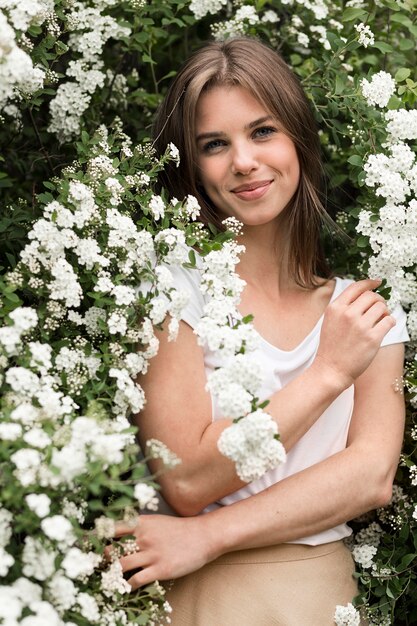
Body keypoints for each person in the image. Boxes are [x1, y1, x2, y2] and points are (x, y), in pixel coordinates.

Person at [114, 37, 408, 625]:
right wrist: (327, 374)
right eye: (215, 145)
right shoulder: (174, 292)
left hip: (322, 593)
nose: (243, 161)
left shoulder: (364, 310)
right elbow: (189, 480)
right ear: (192, 165)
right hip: (203, 595)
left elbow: (370, 477)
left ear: (298, 137)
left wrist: (210, 534)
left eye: (262, 131)